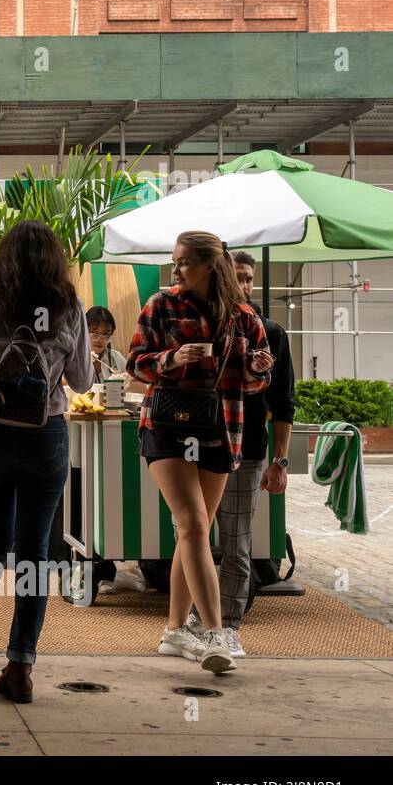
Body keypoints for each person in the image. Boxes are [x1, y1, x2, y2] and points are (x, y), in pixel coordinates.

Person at [0, 220, 92, 704]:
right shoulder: (67, 306)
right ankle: (20, 669)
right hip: (44, 435)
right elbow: (84, 380)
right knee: (33, 552)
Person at [127, 231, 273, 675]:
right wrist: (171, 358)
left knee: (194, 531)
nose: (176, 270)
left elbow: (253, 385)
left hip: (221, 428)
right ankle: (215, 632)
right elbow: (135, 363)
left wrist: (256, 369)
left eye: (184, 262)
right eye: (175, 262)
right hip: (166, 427)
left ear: (212, 265)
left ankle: (174, 631)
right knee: (192, 524)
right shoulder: (161, 305)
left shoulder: (245, 317)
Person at [187, 251, 295, 658]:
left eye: (249, 279)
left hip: (247, 451)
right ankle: (192, 620)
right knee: (192, 534)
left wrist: (280, 463)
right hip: (197, 448)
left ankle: (227, 626)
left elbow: (283, 403)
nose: (244, 286)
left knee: (236, 543)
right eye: (237, 278)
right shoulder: (194, 324)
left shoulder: (270, 332)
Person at [85, 306, 128, 385]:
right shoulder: (74, 359)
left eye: (106, 335)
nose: (100, 340)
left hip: (112, 397)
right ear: (83, 332)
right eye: (95, 334)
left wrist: (127, 382)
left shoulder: (116, 357)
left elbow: (136, 383)